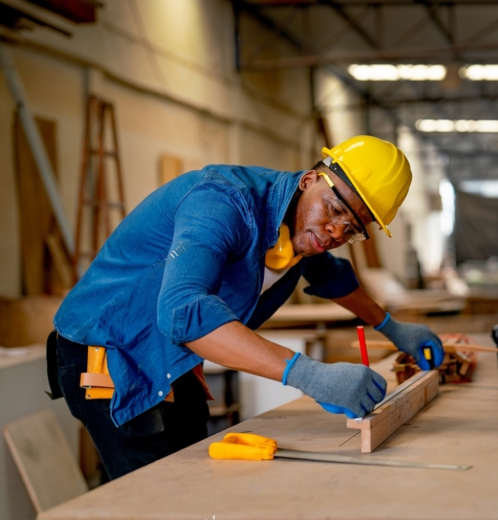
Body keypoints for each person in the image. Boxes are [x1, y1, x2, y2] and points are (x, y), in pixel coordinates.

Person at [47, 135, 445, 480]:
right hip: (108, 353)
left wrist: (392, 327)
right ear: (310, 179)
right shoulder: (221, 202)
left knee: (197, 476)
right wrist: (307, 374)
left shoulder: (301, 225)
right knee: (159, 493)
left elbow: (331, 276)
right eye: (337, 210)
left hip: (170, 357)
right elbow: (184, 312)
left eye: (354, 229)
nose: (337, 231)